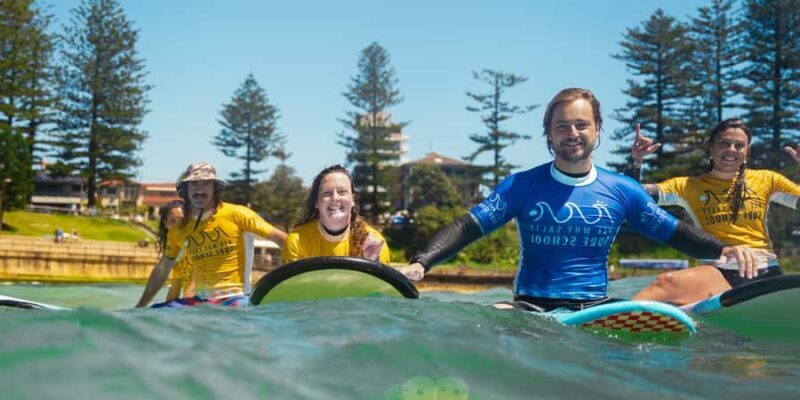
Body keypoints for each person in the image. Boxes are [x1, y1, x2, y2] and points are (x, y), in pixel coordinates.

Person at [396, 88, 771, 311]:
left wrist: (727, 250)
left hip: (595, 312)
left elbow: (674, 232)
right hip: (529, 307)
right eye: (562, 125)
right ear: (548, 134)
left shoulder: (622, 190)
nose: (572, 133)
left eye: (581, 124)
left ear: (597, 130)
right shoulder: (521, 186)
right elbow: (468, 226)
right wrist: (421, 263)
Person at [627, 118, 800, 305]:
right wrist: (636, 161)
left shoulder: (768, 179)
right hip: (719, 274)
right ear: (711, 147)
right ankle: (613, 320)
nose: (731, 150)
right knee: (666, 282)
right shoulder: (687, 186)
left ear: (747, 151)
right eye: (724, 143)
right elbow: (632, 197)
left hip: (765, 271)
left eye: (739, 145)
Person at [135, 162, 287, 308]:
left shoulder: (237, 214)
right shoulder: (179, 229)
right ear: (186, 189)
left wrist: (303, 271)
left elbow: (282, 239)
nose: (200, 190)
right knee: (155, 315)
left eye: (206, 183)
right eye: (194, 184)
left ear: (216, 189)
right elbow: (162, 269)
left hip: (237, 298)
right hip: (201, 301)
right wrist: (140, 307)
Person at [282, 165, 389, 264]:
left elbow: (381, 284)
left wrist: (373, 261)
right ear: (316, 202)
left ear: (353, 200)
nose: (335, 198)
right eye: (327, 193)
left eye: (342, 192)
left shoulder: (374, 244)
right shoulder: (297, 241)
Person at [156, 200, 196, 302]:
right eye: (173, 221)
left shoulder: (197, 246)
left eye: (182, 221)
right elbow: (175, 287)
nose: (178, 225)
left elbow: (192, 288)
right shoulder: (176, 253)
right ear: (166, 224)